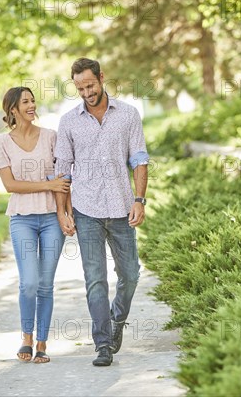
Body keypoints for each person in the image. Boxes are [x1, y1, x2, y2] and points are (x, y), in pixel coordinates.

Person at [54, 58, 149, 366]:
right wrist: (62, 212)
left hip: (122, 208)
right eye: (80, 88)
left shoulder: (128, 115)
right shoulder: (69, 122)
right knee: (95, 280)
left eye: (90, 85)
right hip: (86, 210)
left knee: (130, 275)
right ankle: (103, 344)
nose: (86, 92)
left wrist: (140, 199)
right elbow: (62, 172)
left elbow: (140, 160)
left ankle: (115, 321)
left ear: (102, 78)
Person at [0, 86, 73, 364]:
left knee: (45, 285)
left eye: (33, 100)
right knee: (29, 283)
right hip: (22, 219)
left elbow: (63, 179)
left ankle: (41, 342)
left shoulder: (50, 137)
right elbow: (10, 185)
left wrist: (65, 212)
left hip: (51, 218)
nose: (32, 105)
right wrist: (47, 184)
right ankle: (26, 335)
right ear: (13, 109)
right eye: (25, 102)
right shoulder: (2, 143)